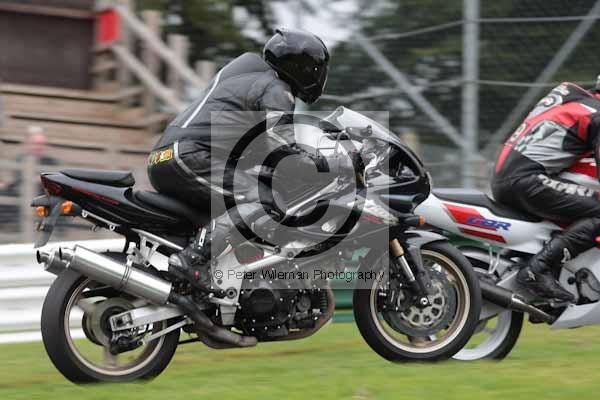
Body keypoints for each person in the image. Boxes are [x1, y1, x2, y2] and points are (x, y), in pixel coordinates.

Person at [147, 29, 352, 296]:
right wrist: (327, 165)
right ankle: (192, 261)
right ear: (300, 66)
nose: (319, 76)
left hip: (175, 156)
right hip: (190, 157)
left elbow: (262, 148)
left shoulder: (251, 78)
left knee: (256, 191)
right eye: (316, 69)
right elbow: (282, 150)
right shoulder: (276, 89)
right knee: (264, 200)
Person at [492, 79, 600, 302]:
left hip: (511, 177)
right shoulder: (596, 114)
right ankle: (538, 269)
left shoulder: (574, 99)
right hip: (526, 180)